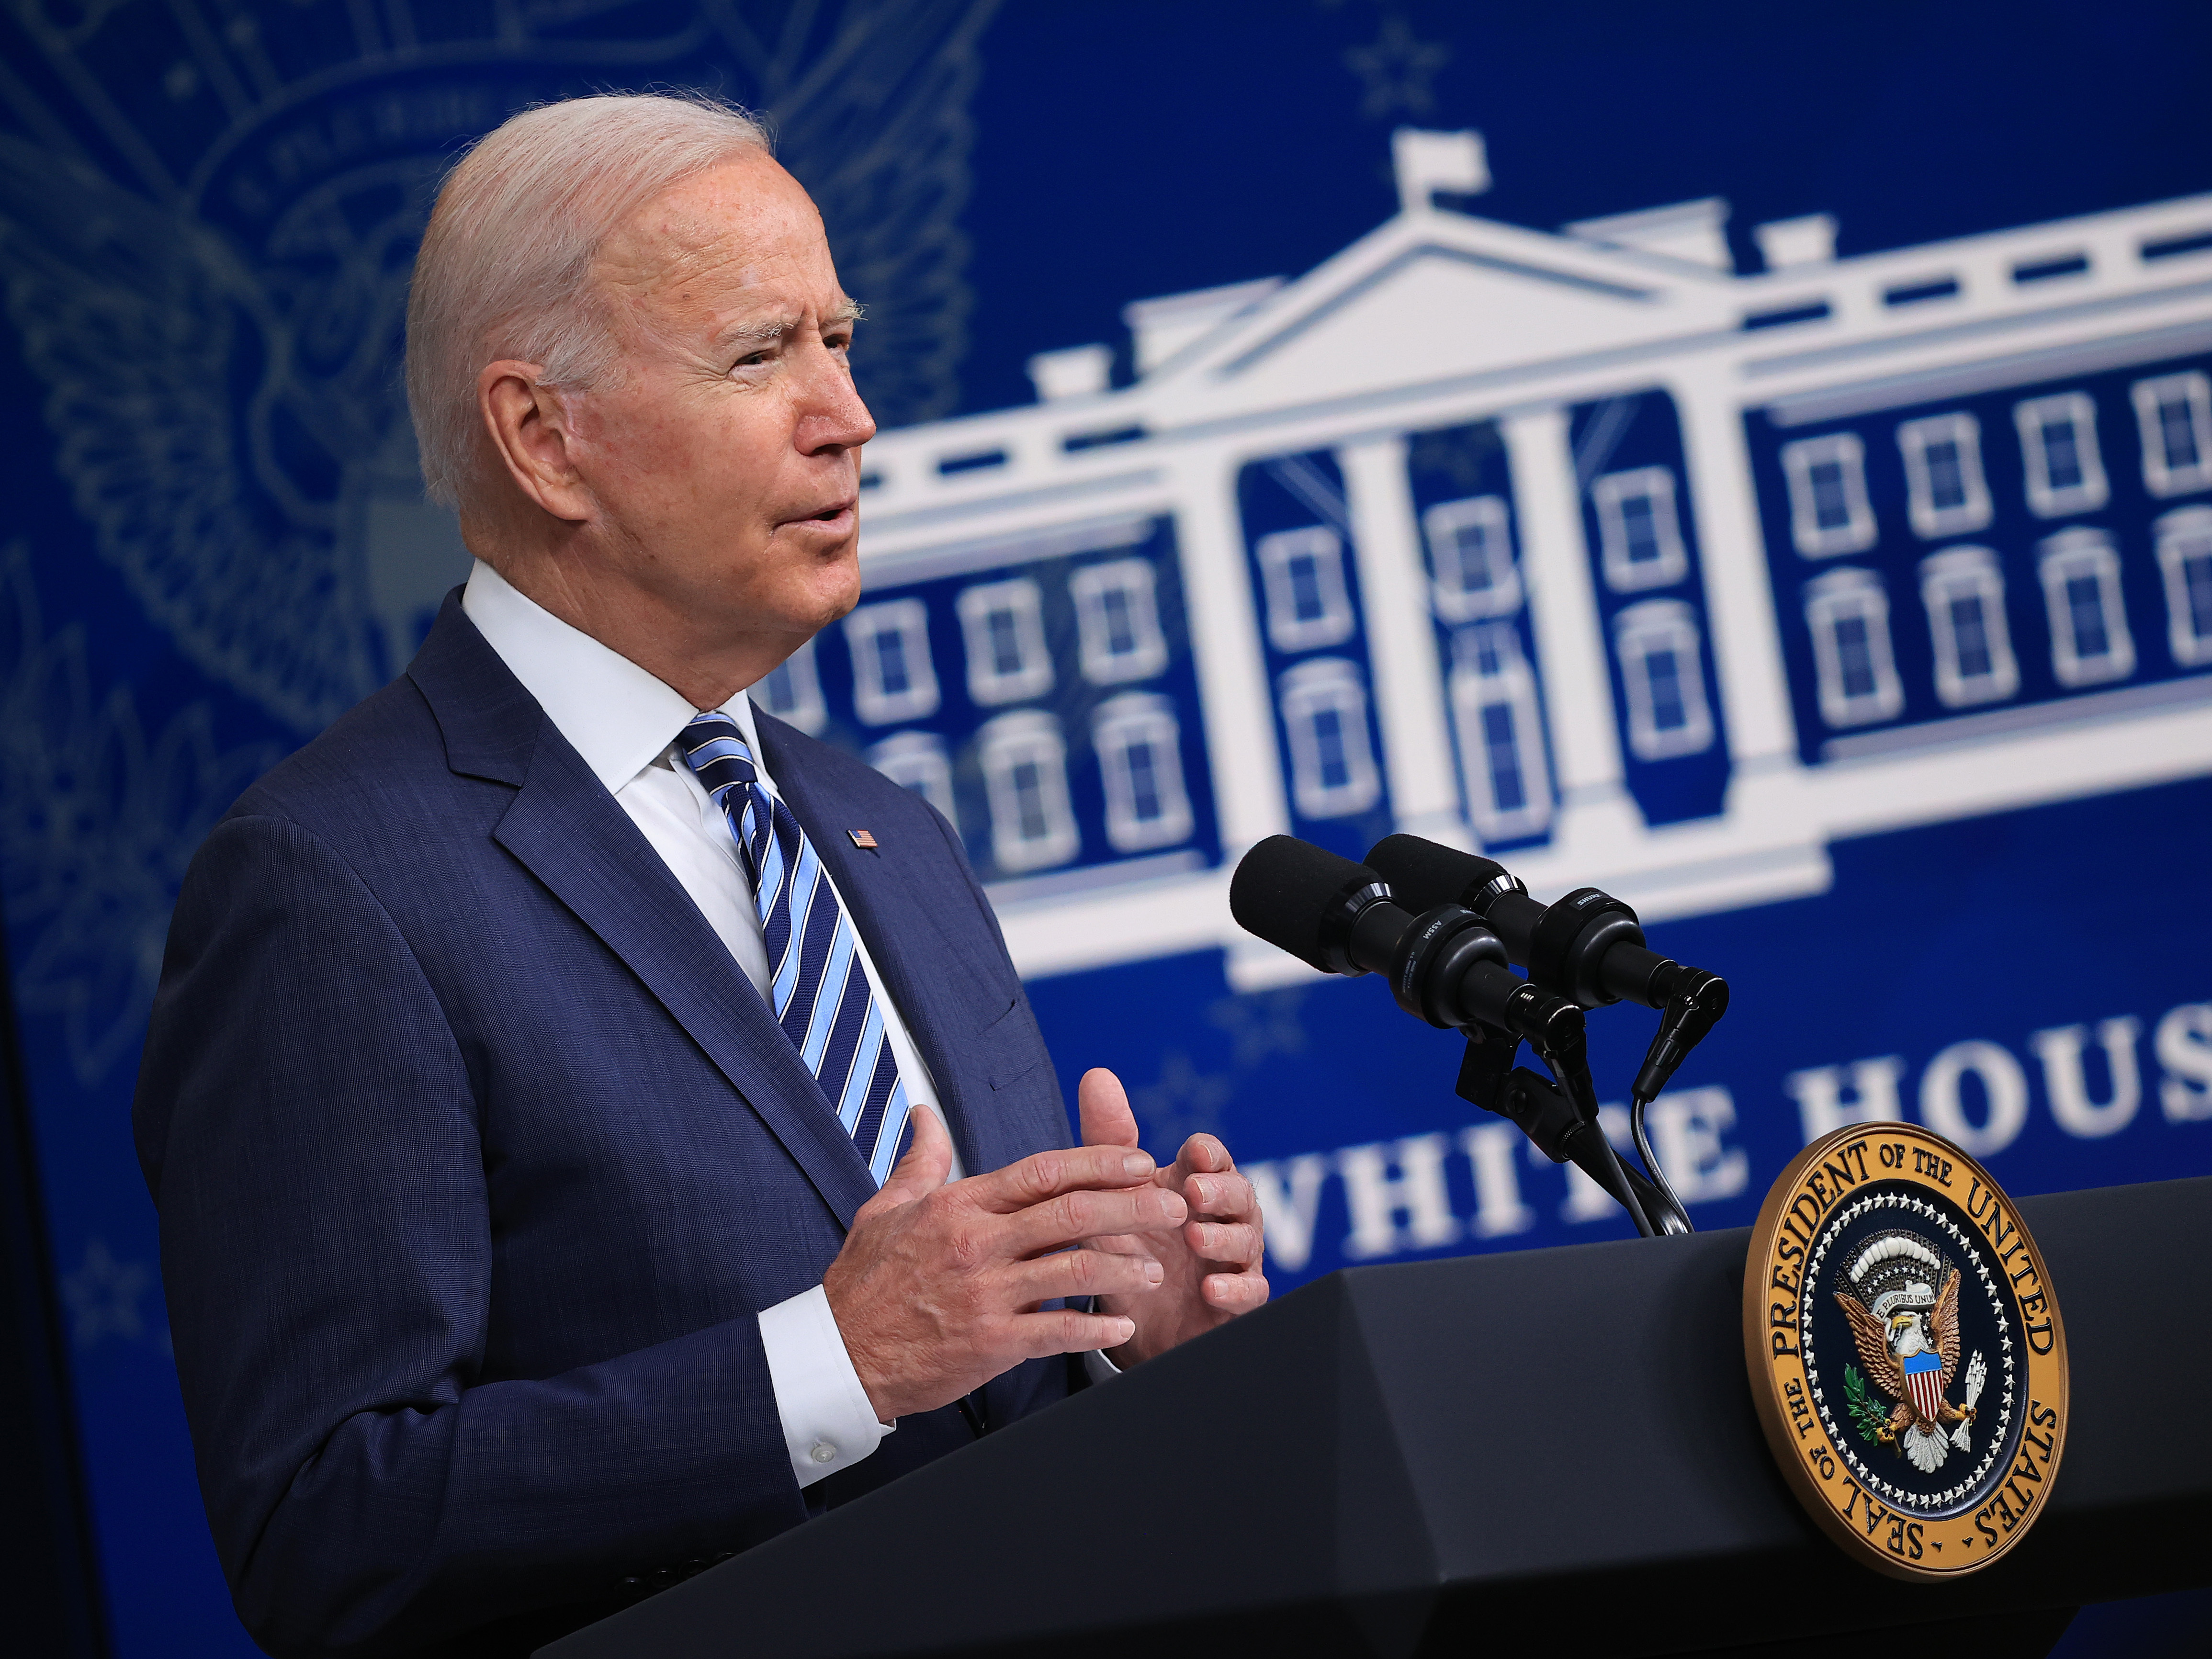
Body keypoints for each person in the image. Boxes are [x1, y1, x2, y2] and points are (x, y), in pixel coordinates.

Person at [133, 91, 1267, 1659]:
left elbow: (975, 1385)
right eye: (760, 355)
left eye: (840, 339)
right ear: (545, 437)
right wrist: (828, 1365)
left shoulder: (888, 830)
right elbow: (330, 1524)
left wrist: (1125, 1339)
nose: (847, 414)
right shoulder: (330, 885)